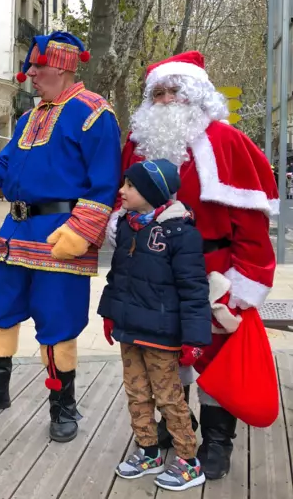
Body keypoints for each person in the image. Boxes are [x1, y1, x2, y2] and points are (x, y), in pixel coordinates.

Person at [0, 31, 122, 442]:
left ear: (63, 67)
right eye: (30, 66)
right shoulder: (29, 117)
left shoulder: (94, 113)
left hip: (60, 238)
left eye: (37, 65)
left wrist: (82, 230)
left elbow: (105, 184)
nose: (28, 73)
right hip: (15, 235)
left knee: (58, 324)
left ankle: (63, 405)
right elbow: (4, 167)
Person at [111, 50, 278, 479]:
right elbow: (121, 200)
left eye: (175, 93)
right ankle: (173, 426)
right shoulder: (137, 142)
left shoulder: (228, 142)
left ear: (199, 97)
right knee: (162, 351)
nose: (166, 102)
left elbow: (252, 223)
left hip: (215, 273)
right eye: (158, 94)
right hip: (153, 271)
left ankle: (218, 441)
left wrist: (245, 283)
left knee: (216, 355)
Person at [99, 159, 211, 491]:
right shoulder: (125, 226)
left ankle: (189, 461)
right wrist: (110, 313)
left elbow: (194, 289)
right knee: (136, 392)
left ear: (150, 192)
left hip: (162, 334)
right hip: (129, 327)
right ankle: (148, 450)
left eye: (130, 186)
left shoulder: (181, 233)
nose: (122, 191)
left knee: (168, 396)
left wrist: (194, 338)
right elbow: (118, 276)